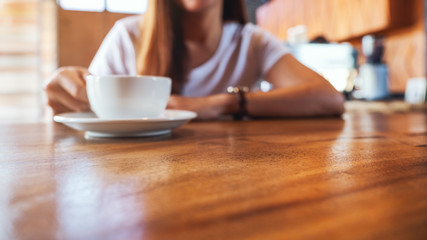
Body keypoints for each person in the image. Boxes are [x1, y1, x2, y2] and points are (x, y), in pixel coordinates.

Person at [45, 0, 344, 120]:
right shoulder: (127, 36)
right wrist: (68, 90)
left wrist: (220, 104)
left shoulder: (251, 40)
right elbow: (84, 105)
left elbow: (328, 98)